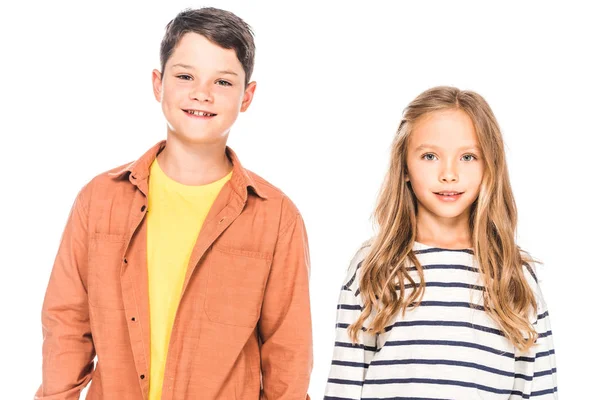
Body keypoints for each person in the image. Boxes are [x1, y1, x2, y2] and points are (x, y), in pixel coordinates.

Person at [36, 7, 312, 399]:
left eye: (223, 81)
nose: (202, 93)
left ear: (247, 96)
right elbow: (66, 325)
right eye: (185, 76)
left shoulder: (276, 217)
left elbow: (289, 353)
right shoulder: (99, 201)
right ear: (157, 83)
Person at [324, 86, 557, 399]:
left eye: (468, 157)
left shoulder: (513, 276)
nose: (449, 174)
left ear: (490, 166)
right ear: (404, 166)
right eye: (430, 156)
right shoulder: (374, 266)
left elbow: (539, 387)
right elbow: (345, 383)